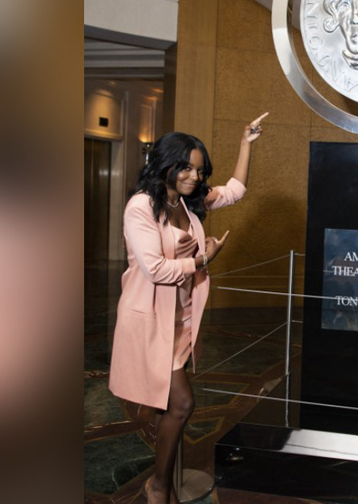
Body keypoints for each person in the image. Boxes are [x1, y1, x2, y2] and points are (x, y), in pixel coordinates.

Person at [108, 113, 268, 504]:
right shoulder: (140, 207)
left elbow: (234, 190)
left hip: (179, 318)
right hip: (150, 318)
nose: (194, 177)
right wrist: (203, 259)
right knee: (180, 403)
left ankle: (162, 481)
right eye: (186, 168)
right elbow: (156, 269)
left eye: (199, 170)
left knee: (171, 405)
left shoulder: (190, 201)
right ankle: (159, 485)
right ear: (166, 164)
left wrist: (245, 143)